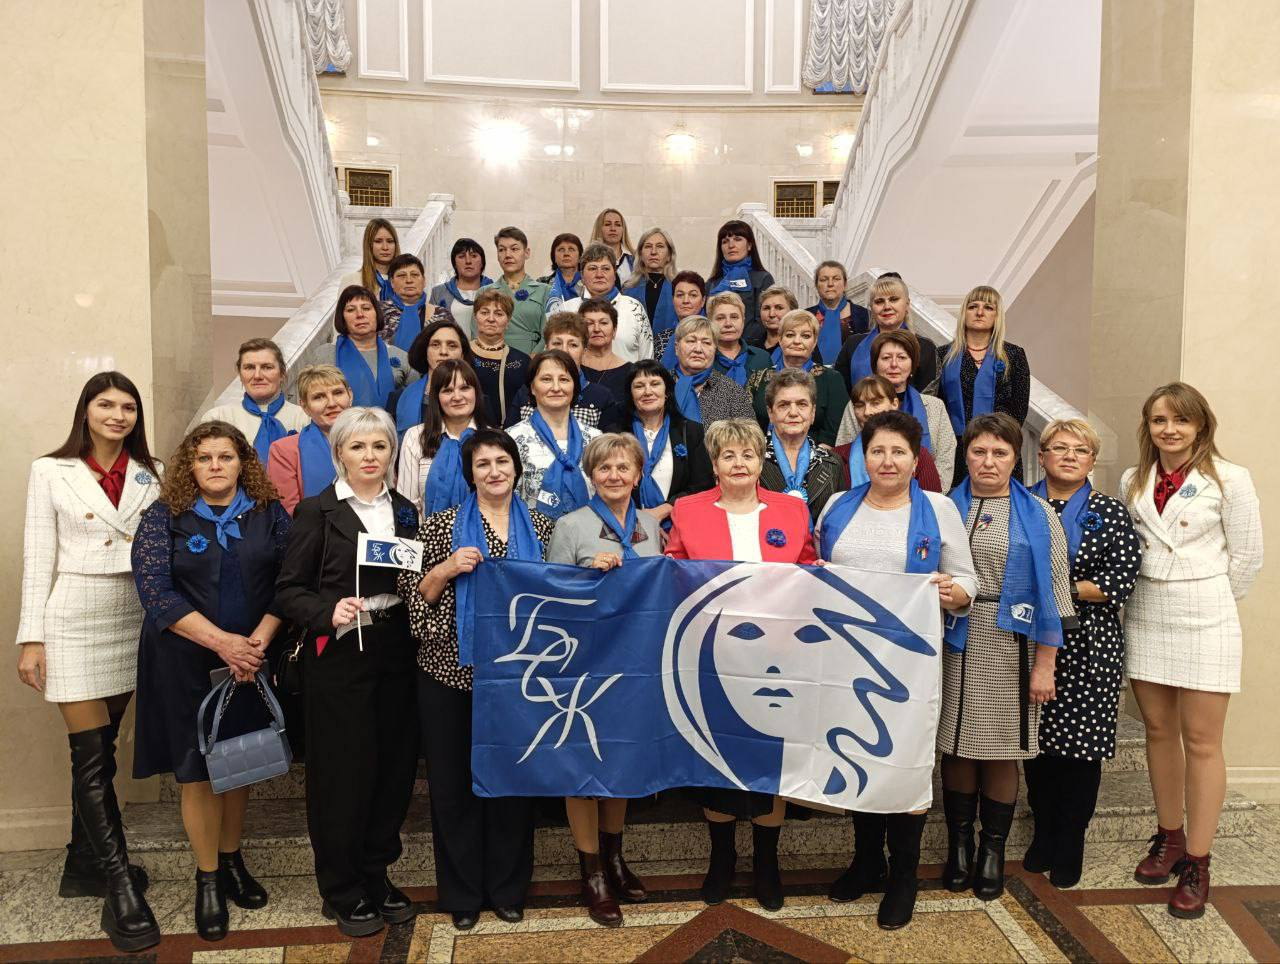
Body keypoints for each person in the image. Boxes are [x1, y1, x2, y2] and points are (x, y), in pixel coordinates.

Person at [16, 372, 163, 952]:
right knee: (91, 756)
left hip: (133, 613)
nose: (118, 415)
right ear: (86, 410)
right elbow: (38, 557)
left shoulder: (151, 472)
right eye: (106, 404)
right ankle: (120, 887)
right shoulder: (51, 470)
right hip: (73, 615)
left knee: (105, 746)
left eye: (128, 407)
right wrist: (32, 638)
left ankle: (84, 863)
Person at [816, 410, 977, 929]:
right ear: (863, 457)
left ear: (915, 459)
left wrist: (954, 592)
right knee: (857, 751)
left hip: (910, 663)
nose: (887, 461)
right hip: (845, 657)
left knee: (905, 760)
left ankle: (904, 874)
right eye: (877, 451)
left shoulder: (938, 509)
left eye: (898, 452)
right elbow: (814, 570)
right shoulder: (838, 505)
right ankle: (867, 861)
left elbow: (967, 580)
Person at [132, 421, 290, 941]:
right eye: (204, 458)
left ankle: (231, 860)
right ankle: (206, 879)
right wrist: (224, 644)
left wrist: (256, 644)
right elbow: (156, 592)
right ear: (190, 466)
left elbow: (289, 582)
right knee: (197, 772)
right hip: (185, 663)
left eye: (226, 456)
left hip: (250, 661)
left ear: (243, 462)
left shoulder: (269, 513)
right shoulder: (164, 517)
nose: (216, 466)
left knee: (239, 760)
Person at [400, 429, 556, 929]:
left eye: (502, 461)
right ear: (470, 473)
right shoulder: (439, 526)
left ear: (516, 468)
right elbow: (413, 596)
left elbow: (562, 594)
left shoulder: (544, 527)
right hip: (450, 675)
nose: (493, 471)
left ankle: (508, 889)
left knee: (513, 784)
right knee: (453, 788)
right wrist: (446, 569)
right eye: (482, 463)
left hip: (519, 680)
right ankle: (463, 894)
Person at [275, 407, 421, 938]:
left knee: (392, 770)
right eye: (357, 446)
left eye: (379, 446)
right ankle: (341, 886)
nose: (369, 456)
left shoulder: (405, 510)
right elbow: (288, 590)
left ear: (391, 453)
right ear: (339, 453)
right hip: (338, 655)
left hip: (395, 651)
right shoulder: (317, 511)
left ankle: (376, 873)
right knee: (343, 774)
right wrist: (325, 610)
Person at [1121, 383, 1262, 919]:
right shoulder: (1132, 480)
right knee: (1158, 731)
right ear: (1148, 426)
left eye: (1181, 420)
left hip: (1205, 615)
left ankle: (1198, 862)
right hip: (1147, 611)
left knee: (1202, 741)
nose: (1170, 430)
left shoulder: (1230, 479)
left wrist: (1209, 598)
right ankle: (1170, 837)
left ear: (1201, 424)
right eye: (1159, 420)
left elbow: (1246, 559)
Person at [666, 418, 817, 912]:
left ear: (760, 461)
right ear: (714, 464)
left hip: (779, 658)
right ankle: (723, 859)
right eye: (728, 455)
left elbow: (808, 567)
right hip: (713, 657)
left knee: (770, 758)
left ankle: (767, 864)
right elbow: (673, 570)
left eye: (747, 455)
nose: (738, 463)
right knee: (717, 759)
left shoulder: (791, 509)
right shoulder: (688, 510)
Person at [938, 413, 1076, 902]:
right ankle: (959, 845)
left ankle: (991, 850)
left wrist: (1045, 665)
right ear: (966, 455)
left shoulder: (1038, 515)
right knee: (955, 745)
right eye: (979, 451)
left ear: (1016, 459)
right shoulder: (943, 507)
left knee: (1000, 750)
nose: (988, 461)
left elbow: (1055, 594)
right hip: (952, 639)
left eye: (1000, 453)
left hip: (1011, 642)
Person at [547, 434, 662, 926]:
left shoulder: (649, 526)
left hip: (634, 662)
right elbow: (549, 598)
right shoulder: (570, 525)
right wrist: (586, 576)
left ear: (638, 475)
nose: (614, 476)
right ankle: (591, 871)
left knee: (621, 759)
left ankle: (615, 858)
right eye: (604, 468)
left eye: (623, 467)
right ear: (590, 476)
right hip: (583, 663)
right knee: (582, 766)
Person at [1022, 419, 1141, 889]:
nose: (1070, 456)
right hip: (1028, 639)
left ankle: (1071, 840)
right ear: (1042, 455)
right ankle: (1044, 830)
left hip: (1091, 643)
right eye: (1060, 448)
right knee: (1035, 745)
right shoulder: (1020, 503)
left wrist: (1057, 588)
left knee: (1080, 750)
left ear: (1092, 461)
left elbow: (1119, 580)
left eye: (1081, 450)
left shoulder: (1110, 511)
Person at [937, 286, 1030, 488]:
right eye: (973, 307)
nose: (979, 312)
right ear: (964, 313)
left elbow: (1019, 408)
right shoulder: (943, 355)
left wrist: (997, 442)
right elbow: (938, 407)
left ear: (997, 316)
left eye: (988, 307)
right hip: (956, 451)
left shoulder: (1014, 355)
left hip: (1001, 447)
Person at [837, 330, 955, 486]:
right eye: (886, 358)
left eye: (902, 358)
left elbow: (945, 459)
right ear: (875, 364)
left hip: (924, 493)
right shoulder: (858, 404)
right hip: (863, 491)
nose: (894, 364)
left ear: (913, 364)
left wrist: (929, 493)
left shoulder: (934, 406)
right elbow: (843, 455)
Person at [508, 350, 601, 519]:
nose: (556, 388)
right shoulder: (512, 439)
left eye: (564, 379)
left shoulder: (596, 439)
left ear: (574, 387)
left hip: (588, 533)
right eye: (546, 379)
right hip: (531, 532)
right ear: (532, 387)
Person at [397, 359, 497, 515]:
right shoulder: (415, 437)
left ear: (476, 392)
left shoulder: (495, 439)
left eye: (464, 388)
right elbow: (408, 504)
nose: (457, 397)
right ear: (436, 397)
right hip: (428, 530)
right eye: (448, 390)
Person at [296, 286, 415, 410]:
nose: (360, 314)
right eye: (351, 310)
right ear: (342, 317)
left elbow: (413, 404)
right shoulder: (324, 354)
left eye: (366, 308)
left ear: (377, 313)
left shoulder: (401, 356)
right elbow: (308, 399)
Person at [626, 360, 714, 528]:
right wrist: (640, 520)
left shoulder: (690, 431)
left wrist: (664, 511)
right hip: (628, 525)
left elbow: (702, 485)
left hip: (680, 525)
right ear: (630, 394)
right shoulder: (617, 433)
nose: (647, 391)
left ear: (667, 391)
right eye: (639, 386)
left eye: (655, 384)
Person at [746, 309, 845, 446]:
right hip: (761, 453)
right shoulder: (758, 378)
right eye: (790, 335)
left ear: (815, 342)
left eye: (805, 336)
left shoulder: (832, 379)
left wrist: (811, 456)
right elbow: (746, 425)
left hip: (816, 454)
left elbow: (832, 434)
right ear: (780, 339)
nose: (797, 341)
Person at [758, 369, 846, 522]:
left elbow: (838, 521)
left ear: (812, 413)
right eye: (784, 405)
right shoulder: (751, 459)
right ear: (770, 413)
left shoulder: (833, 463)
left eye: (802, 404)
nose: (793, 412)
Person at [506, 313, 620, 430]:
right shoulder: (525, 393)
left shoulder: (601, 396)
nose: (564, 350)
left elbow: (610, 441)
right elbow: (508, 438)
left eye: (573, 345)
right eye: (557, 343)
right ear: (546, 347)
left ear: (584, 351)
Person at [203, 338, 309, 463]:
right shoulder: (217, 418)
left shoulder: (305, 418)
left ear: (282, 373)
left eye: (267, 367)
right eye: (249, 367)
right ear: (240, 374)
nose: (257, 375)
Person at [836, 376, 943, 492]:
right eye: (860, 405)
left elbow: (932, 501)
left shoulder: (919, 455)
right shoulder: (837, 456)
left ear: (894, 404)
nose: (867, 412)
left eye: (875, 403)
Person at [269, 365, 352, 514]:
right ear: (305, 406)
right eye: (319, 397)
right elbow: (289, 513)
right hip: (311, 528)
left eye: (338, 393)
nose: (332, 403)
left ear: (350, 396)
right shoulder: (283, 451)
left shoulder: (374, 441)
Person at [835, 273, 937, 393]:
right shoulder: (852, 344)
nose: (887, 306)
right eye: (879, 301)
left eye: (894, 299)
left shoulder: (925, 347)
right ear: (871, 308)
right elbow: (840, 393)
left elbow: (928, 397)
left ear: (907, 304)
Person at [562, 243, 654, 362]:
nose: (599, 275)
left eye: (605, 268)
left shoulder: (634, 308)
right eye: (592, 268)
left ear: (615, 275)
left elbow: (647, 359)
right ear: (582, 276)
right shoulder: (566, 310)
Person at [393, 318, 475, 436]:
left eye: (452, 346)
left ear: (462, 354)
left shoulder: (478, 399)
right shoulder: (398, 398)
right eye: (435, 345)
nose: (443, 351)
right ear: (424, 352)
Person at [670, 316, 755, 428]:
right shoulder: (661, 385)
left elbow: (750, 435)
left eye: (706, 343)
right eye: (691, 341)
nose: (698, 349)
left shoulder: (732, 392)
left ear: (715, 349)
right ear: (676, 348)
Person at [482, 227, 551, 355]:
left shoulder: (544, 291)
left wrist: (534, 359)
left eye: (514, 249)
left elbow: (549, 334)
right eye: (502, 250)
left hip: (532, 358)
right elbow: (477, 335)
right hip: (492, 358)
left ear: (527, 253)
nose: (507, 255)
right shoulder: (485, 292)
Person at [468, 289, 531, 428]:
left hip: (511, 433)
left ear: (508, 321)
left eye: (498, 314)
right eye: (484, 312)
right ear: (475, 317)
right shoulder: (461, 355)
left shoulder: (523, 361)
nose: (491, 319)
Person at [707, 220, 775, 344]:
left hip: (751, 347)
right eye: (725, 241)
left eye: (737, 239)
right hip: (715, 347)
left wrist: (738, 346)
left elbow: (763, 320)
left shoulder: (763, 279)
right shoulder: (712, 283)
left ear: (749, 245)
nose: (731, 245)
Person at [622, 227, 680, 348]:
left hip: (670, 351)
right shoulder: (627, 290)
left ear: (669, 255)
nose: (653, 252)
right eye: (648, 246)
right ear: (640, 254)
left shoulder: (679, 288)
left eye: (660, 246)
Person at [807, 260, 869, 367]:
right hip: (811, 374)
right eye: (824, 279)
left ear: (845, 284)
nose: (830, 284)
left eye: (836, 279)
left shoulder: (865, 315)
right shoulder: (805, 316)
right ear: (816, 285)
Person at [428, 238, 492, 338]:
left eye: (474, 256)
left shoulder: (495, 290)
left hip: (488, 347)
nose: (468, 261)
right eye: (461, 256)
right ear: (454, 263)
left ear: (482, 262)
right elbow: (431, 330)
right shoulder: (438, 292)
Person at [578, 298, 636, 407]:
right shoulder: (571, 368)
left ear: (614, 330)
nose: (596, 329)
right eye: (589, 323)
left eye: (603, 323)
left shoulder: (632, 372)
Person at [709, 292, 771, 387]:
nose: (728, 324)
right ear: (710, 322)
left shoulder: (762, 358)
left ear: (743, 321)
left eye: (734, 317)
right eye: (720, 318)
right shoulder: (702, 359)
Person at [381, 253, 438, 352]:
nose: (409, 280)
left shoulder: (440, 314)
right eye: (402, 275)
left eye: (415, 275)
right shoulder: (377, 312)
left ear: (424, 281)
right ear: (392, 283)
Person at [658, 270, 710, 367]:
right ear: (673, 300)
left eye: (693, 295)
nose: (686, 301)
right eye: (680, 295)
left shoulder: (712, 335)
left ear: (703, 301)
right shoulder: (662, 338)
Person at [340, 217, 399, 301]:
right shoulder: (351, 281)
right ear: (369, 245)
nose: (385, 247)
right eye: (378, 241)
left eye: (390, 241)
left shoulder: (408, 282)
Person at [542, 232, 584, 311]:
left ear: (580, 257)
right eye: (561, 250)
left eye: (571, 249)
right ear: (554, 257)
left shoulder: (590, 284)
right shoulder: (542, 283)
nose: (566, 254)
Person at [590, 207, 636, 278]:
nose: (613, 229)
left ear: (623, 229)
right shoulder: (588, 258)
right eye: (607, 224)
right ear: (599, 228)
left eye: (618, 225)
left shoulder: (635, 258)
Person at [758, 284, 799, 356]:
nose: (771, 314)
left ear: (793, 311)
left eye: (779, 308)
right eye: (766, 308)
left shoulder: (800, 346)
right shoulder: (749, 347)